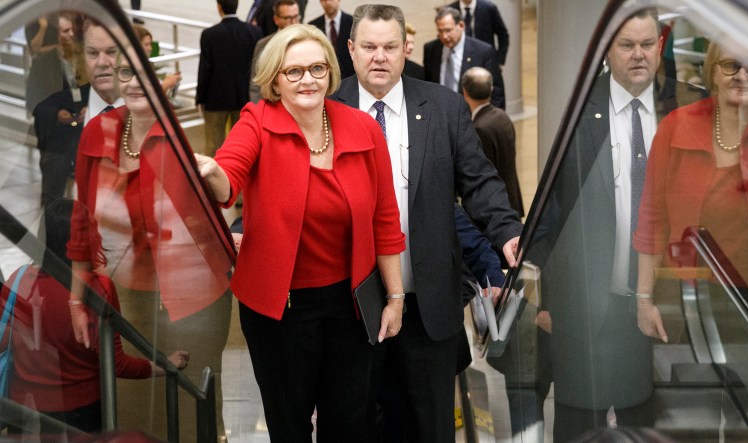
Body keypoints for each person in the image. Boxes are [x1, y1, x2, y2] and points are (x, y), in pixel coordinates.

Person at [195, 24, 406, 441]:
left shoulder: (362, 128)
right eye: (293, 71)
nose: (307, 79)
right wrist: (211, 171)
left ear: (330, 72)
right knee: (289, 427)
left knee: (349, 425)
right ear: (275, 79)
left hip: (352, 304)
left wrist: (395, 298)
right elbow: (228, 177)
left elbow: (385, 219)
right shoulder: (257, 121)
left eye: (316, 68)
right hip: (280, 310)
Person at [332, 5, 522, 440]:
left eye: (389, 47)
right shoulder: (328, 108)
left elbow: (479, 181)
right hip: (351, 308)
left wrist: (507, 231)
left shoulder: (443, 106)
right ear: (351, 49)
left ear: (406, 49)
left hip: (427, 306)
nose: (379, 57)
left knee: (431, 427)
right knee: (354, 427)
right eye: (369, 47)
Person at [538, 9, 706, 441]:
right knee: (579, 426)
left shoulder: (690, 106)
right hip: (588, 305)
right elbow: (556, 211)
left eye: (647, 44)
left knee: (659, 425)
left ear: (661, 46)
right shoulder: (578, 109)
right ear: (607, 51)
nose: (638, 55)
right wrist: (546, 301)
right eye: (626, 45)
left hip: (670, 303)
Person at [68, 54, 232, 441]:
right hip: (121, 298)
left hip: (193, 302)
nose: (136, 83)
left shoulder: (177, 136)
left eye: (145, 75)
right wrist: (77, 299)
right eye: (127, 73)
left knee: (192, 403)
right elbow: (82, 223)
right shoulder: (97, 133)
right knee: (131, 403)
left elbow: (217, 200)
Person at [0, 198, 188, 436]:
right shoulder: (98, 291)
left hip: (24, 412)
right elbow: (116, 364)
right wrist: (163, 366)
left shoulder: (18, 280)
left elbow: (4, 341)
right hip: (80, 414)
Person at [634, 43, 748, 341]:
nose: (741, 75)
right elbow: (652, 221)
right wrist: (644, 299)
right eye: (730, 65)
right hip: (685, 299)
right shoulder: (676, 126)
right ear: (713, 72)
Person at [32, 18, 124, 207]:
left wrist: (87, 106)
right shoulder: (44, 61)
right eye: (64, 32)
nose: (70, 35)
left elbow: (90, 89)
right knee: (53, 197)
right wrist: (57, 113)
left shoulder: (82, 58)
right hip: (55, 141)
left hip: (80, 135)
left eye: (71, 31)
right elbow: (36, 102)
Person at [196, 0, 262, 156]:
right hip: (244, 98)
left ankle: (212, 172)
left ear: (219, 7)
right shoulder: (254, 32)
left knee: (213, 145)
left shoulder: (209, 34)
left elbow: (205, 69)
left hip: (215, 100)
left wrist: (200, 98)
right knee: (241, 145)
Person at [461, 66, 524, 215]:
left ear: (465, 92)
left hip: (494, 207)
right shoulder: (503, 116)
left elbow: (481, 173)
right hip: (510, 199)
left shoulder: (479, 129)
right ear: (491, 90)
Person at [423, 7, 505, 109]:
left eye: (448, 30)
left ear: (461, 26)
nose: (444, 36)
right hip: (439, 113)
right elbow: (427, 86)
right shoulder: (430, 49)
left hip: (470, 115)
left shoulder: (483, 51)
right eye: (440, 31)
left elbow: (497, 93)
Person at [25, 12, 86, 115]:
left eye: (72, 30)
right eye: (66, 31)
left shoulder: (78, 54)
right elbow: (34, 50)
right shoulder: (46, 62)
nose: (71, 34)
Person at [248, 0, 301, 103]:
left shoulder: (307, 44)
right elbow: (255, 84)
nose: (293, 22)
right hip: (271, 105)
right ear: (276, 20)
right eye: (288, 18)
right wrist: (258, 108)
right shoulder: (263, 45)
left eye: (296, 17)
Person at [449, 0, 509, 66]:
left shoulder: (489, 8)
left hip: (485, 60)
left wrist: (499, 61)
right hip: (458, 61)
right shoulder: (450, 10)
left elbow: (503, 35)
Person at [309, 0, 354, 79]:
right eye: (324, 0)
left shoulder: (353, 23)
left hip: (350, 76)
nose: (328, 3)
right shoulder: (313, 26)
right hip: (324, 76)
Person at [132, 24, 181, 94]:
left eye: (150, 44)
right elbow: (145, 95)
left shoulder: (146, 65)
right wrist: (166, 84)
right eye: (146, 45)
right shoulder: (126, 68)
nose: (150, 48)